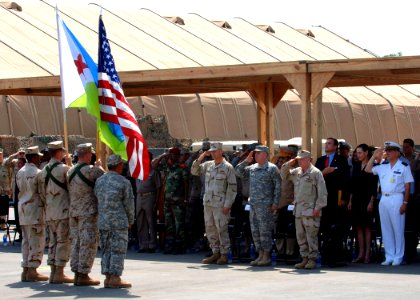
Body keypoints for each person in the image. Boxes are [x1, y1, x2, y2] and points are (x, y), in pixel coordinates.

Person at [366, 141, 414, 266]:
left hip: (397, 197)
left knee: (398, 228)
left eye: (391, 150)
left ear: (398, 152)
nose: (387, 152)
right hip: (384, 198)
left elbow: (407, 186)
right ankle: (389, 256)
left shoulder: (403, 166)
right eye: (386, 150)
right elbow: (367, 169)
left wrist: (405, 202)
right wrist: (374, 156)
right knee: (386, 229)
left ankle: (398, 256)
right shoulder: (383, 165)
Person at [191, 142, 237, 264]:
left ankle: (225, 254)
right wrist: (201, 157)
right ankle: (215, 252)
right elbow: (194, 171)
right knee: (210, 228)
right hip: (208, 203)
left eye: (215, 151)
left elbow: (232, 188)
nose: (212, 153)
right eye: (211, 151)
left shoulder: (227, 167)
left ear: (221, 151)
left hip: (220, 204)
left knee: (221, 228)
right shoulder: (208, 165)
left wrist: (228, 204)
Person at [281, 150, 327, 269]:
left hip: (311, 210)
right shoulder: (297, 172)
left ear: (309, 159)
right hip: (299, 210)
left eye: (302, 159)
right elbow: (284, 175)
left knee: (311, 236)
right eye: (298, 159)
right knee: (300, 236)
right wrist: (289, 164)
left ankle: (312, 259)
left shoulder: (316, 173)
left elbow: (322, 193)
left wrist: (317, 208)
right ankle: (304, 258)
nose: (299, 161)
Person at [236, 145, 281, 266]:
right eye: (255, 153)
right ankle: (260, 254)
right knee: (255, 231)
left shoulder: (272, 168)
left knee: (264, 231)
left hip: (266, 205)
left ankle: (266, 255)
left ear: (265, 154)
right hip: (254, 205)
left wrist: (275, 203)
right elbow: (238, 172)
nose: (255, 155)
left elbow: (278, 187)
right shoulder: (252, 168)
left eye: (258, 153)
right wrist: (246, 161)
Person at [94, 154, 135, 289]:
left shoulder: (99, 181)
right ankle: (115, 277)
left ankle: (108, 277)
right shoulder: (124, 182)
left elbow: (96, 199)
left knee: (106, 249)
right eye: (121, 164)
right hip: (118, 221)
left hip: (103, 221)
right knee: (118, 249)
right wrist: (130, 220)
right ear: (118, 165)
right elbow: (129, 204)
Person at [67, 143, 104, 286]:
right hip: (88, 212)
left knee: (76, 241)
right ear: (87, 154)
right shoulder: (91, 170)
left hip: (74, 211)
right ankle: (83, 273)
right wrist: (99, 166)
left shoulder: (70, 170)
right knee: (88, 242)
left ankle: (76, 271)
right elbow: (106, 179)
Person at [38, 141, 73, 283]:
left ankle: (53, 271)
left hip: (50, 211)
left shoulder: (43, 171)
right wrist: (70, 164)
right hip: (63, 210)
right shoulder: (65, 169)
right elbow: (73, 187)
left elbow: (41, 193)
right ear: (59, 152)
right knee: (63, 241)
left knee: (52, 242)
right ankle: (59, 272)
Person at [315, 137, 350, 265]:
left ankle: (336, 255)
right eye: (326, 143)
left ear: (335, 147)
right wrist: (324, 172)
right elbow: (315, 177)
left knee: (335, 227)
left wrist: (345, 198)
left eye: (329, 144)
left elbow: (346, 180)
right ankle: (325, 254)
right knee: (324, 226)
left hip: (336, 198)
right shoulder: (320, 160)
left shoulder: (341, 160)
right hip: (323, 198)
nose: (326, 145)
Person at [16, 146, 48, 282]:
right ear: (34, 157)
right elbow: (42, 192)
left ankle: (26, 269)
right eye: (38, 156)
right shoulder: (38, 172)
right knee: (36, 241)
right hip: (35, 209)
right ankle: (33, 270)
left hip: (23, 209)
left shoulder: (20, 171)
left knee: (26, 241)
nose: (40, 158)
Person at [152, 147, 189, 254]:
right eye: (169, 154)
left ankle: (180, 246)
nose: (170, 156)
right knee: (169, 224)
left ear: (177, 156)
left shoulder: (182, 168)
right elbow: (153, 165)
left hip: (178, 200)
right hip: (167, 200)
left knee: (179, 224)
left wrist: (186, 198)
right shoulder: (166, 167)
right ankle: (170, 245)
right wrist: (163, 156)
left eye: (172, 154)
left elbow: (186, 184)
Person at [347, 144, 378, 264]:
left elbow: (374, 186)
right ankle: (360, 253)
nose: (357, 155)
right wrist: (350, 200)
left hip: (367, 199)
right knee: (358, 227)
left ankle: (367, 254)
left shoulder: (374, 167)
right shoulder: (355, 166)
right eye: (357, 153)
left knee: (367, 227)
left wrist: (371, 202)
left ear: (366, 153)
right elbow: (352, 185)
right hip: (356, 199)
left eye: (360, 152)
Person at [136, 152, 161, 253]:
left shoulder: (153, 172)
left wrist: (156, 201)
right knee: (140, 221)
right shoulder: (138, 171)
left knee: (151, 222)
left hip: (149, 196)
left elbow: (158, 187)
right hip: (139, 197)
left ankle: (152, 244)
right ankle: (143, 244)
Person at [401, 138, 420, 262]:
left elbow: (414, 168)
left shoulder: (415, 160)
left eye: (407, 147)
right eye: (404, 147)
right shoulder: (400, 160)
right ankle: (405, 252)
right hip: (402, 195)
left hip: (414, 196)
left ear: (412, 148)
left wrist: (417, 157)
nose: (405, 149)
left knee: (413, 226)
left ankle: (411, 251)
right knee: (404, 225)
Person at [4, 148, 26, 239]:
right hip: (16, 192)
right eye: (20, 153)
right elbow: (5, 163)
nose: (21, 154)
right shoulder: (14, 162)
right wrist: (15, 154)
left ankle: (25, 233)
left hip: (24, 191)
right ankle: (20, 232)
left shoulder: (28, 162)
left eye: (23, 153)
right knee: (17, 213)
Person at [0, 148, 13, 229]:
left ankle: (3, 223)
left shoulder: (5, 165)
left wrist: (10, 188)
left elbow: (10, 177)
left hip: (5, 192)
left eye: (0, 154)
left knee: (4, 207)